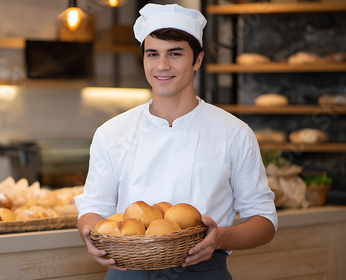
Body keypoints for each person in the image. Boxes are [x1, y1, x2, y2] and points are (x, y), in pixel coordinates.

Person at [74, 3, 278, 279]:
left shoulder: (234, 133)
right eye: (152, 54)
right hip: (128, 272)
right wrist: (90, 235)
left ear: (197, 59)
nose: (162, 65)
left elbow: (264, 222)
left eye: (175, 53)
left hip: (204, 271)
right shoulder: (112, 133)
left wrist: (219, 238)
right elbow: (93, 210)